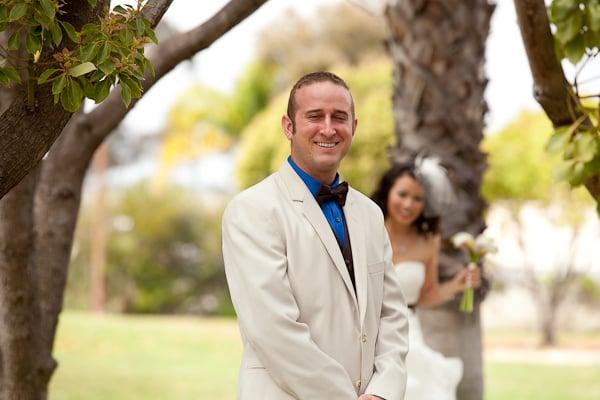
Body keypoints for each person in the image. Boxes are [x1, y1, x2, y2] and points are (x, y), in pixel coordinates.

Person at [222, 71, 409, 400]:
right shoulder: (252, 210)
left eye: (339, 117)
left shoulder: (370, 213)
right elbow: (272, 329)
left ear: (354, 126)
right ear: (288, 127)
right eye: (314, 116)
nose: (328, 128)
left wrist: (383, 391)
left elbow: (391, 314)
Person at [371, 158, 481, 400]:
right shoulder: (367, 230)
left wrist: (458, 284)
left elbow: (427, 295)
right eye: (403, 194)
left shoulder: (428, 241)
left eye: (418, 198)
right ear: (388, 192)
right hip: (365, 330)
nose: (408, 204)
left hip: (407, 332)